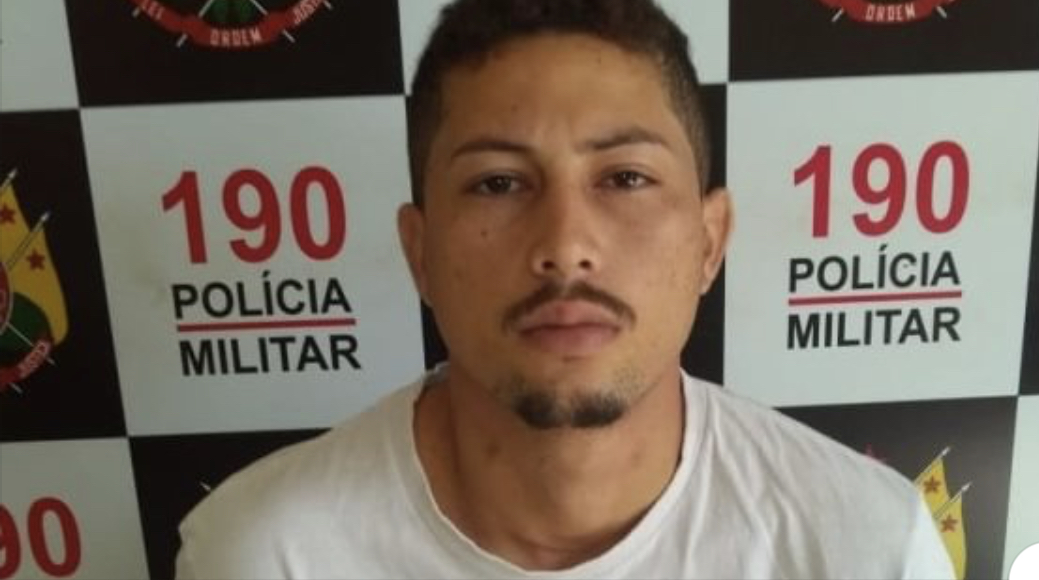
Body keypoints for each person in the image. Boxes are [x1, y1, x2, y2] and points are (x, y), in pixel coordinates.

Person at [175, 0, 956, 577]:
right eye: (497, 183)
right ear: (419, 252)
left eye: (625, 177)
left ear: (709, 241)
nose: (564, 246)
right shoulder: (266, 553)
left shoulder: (863, 546)